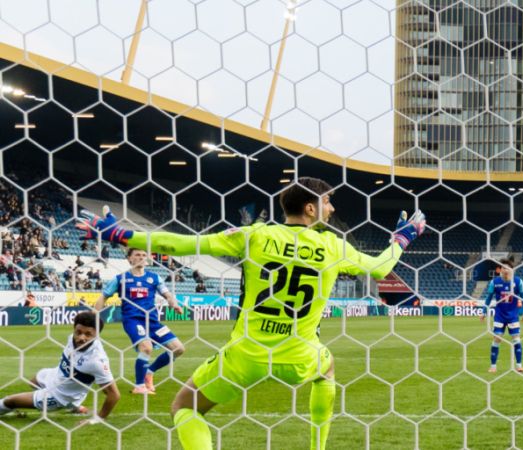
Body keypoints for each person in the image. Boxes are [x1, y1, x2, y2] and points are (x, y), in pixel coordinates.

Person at [77, 177, 425, 450]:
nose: (332, 208)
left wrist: (121, 234)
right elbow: (380, 269)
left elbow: (183, 244)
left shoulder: (254, 236)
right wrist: (403, 237)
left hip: (245, 355)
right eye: (328, 201)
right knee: (327, 366)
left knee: (183, 407)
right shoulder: (334, 247)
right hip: (298, 356)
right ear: (309, 208)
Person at [0, 311, 119, 425]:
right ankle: (74, 406)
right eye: (78, 332)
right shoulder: (71, 339)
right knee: (32, 381)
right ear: (74, 329)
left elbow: (114, 395)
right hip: (54, 375)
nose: (82, 337)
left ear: (97, 335)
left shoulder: (96, 361)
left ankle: (65, 403)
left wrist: (97, 420)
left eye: (88, 334)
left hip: (59, 396)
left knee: (10, 401)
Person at [95, 248, 186, 395]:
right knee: (146, 347)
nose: (141, 257)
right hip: (133, 320)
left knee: (178, 349)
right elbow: (103, 297)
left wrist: (174, 304)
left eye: (144, 255)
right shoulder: (120, 278)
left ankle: (149, 372)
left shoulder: (154, 278)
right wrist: (94, 316)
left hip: (153, 321)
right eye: (137, 255)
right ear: (129, 259)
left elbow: (168, 294)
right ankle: (139, 386)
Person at [481, 257, 523, 373]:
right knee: (497, 338)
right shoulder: (494, 282)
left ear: (512, 270)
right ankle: (493, 366)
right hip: (500, 315)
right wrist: (484, 311)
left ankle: (519, 365)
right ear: (500, 270)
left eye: (508, 268)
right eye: (503, 268)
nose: (506, 270)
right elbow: (488, 298)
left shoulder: (518, 281)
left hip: (513, 316)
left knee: (516, 339)